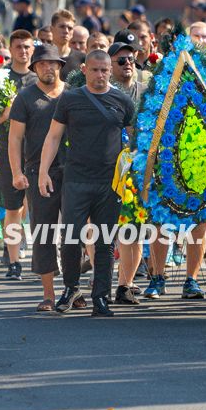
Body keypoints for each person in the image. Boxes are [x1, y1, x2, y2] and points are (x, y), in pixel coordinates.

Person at [38, 50, 135, 317]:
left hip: (109, 183)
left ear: (110, 70)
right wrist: (43, 172)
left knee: (105, 242)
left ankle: (101, 297)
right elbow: (53, 136)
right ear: (84, 70)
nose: (100, 75)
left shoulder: (122, 101)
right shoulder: (70, 99)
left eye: (105, 70)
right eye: (95, 70)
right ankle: (71, 289)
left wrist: (136, 174)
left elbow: (134, 139)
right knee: (71, 238)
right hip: (76, 179)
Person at [8, 43, 69, 312]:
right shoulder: (25, 97)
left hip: (72, 171)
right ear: (34, 68)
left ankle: (72, 289)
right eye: (42, 63)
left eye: (53, 63)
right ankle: (48, 294)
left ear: (59, 66)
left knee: (74, 234)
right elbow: (15, 138)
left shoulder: (73, 93)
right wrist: (17, 172)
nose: (48, 67)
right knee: (44, 234)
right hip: (37, 172)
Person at [108, 36, 150, 306]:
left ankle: (125, 284)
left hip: (137, 168)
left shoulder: (147, 91)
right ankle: (101, 280)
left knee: (132, 228)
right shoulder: (105, 91)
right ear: (110, 65)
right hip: (106, 167)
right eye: (121, 60)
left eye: (131, 60)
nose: (127, 64)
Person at [0, 30, 36, 279]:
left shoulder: (38, 78)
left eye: (27, 47)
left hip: (37, 152)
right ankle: (13, 262)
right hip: (8, 151)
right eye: (18, 46)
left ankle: (44, 259)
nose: (23, 51)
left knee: (38, 209)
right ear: (10, 49)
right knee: (13, 208)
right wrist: (8, 111)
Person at [50, 9, 85, 79]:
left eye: (70, 28)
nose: (66, 31)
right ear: (51, 29)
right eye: (62, 26)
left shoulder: (82, 58)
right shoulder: (41, 57)